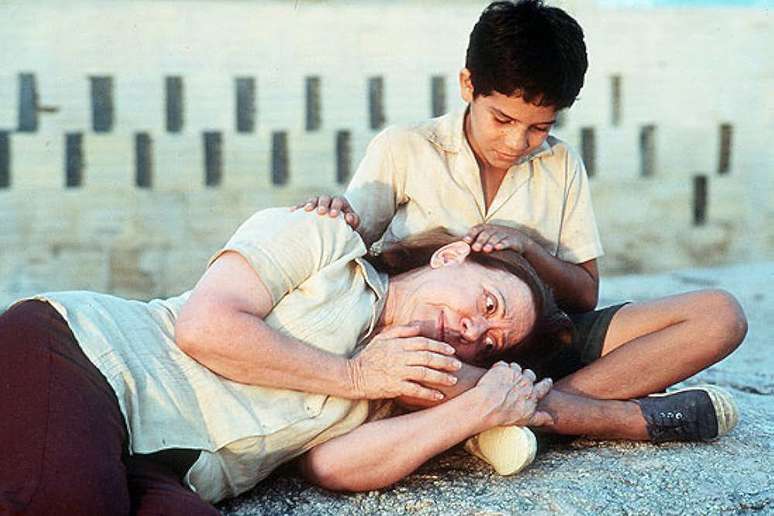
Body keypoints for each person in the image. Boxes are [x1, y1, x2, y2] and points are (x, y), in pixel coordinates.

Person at [295, 0, 748, 453]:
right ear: (468, 84)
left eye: (538, 128)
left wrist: (529, 250)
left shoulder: (560, 163)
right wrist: (331, 213)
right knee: (412, 362)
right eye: (503, 119)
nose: (516, 142)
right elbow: (352, 254)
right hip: (448, 352)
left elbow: (585, 293)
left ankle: (529, 417)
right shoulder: (407, 147)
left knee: (720, 315)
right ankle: (589, 415)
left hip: (541, 341)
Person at [0, 207, 559, 515]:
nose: (472, 330)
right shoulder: (326, 242)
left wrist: (472, 411)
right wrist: (355, 375)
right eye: (488, 304)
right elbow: (205, 326)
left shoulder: (403, 379)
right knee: (70, 503)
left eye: (488, 344)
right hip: (88, 358)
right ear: (450, 256)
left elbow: (331, 467)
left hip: (169, 465)